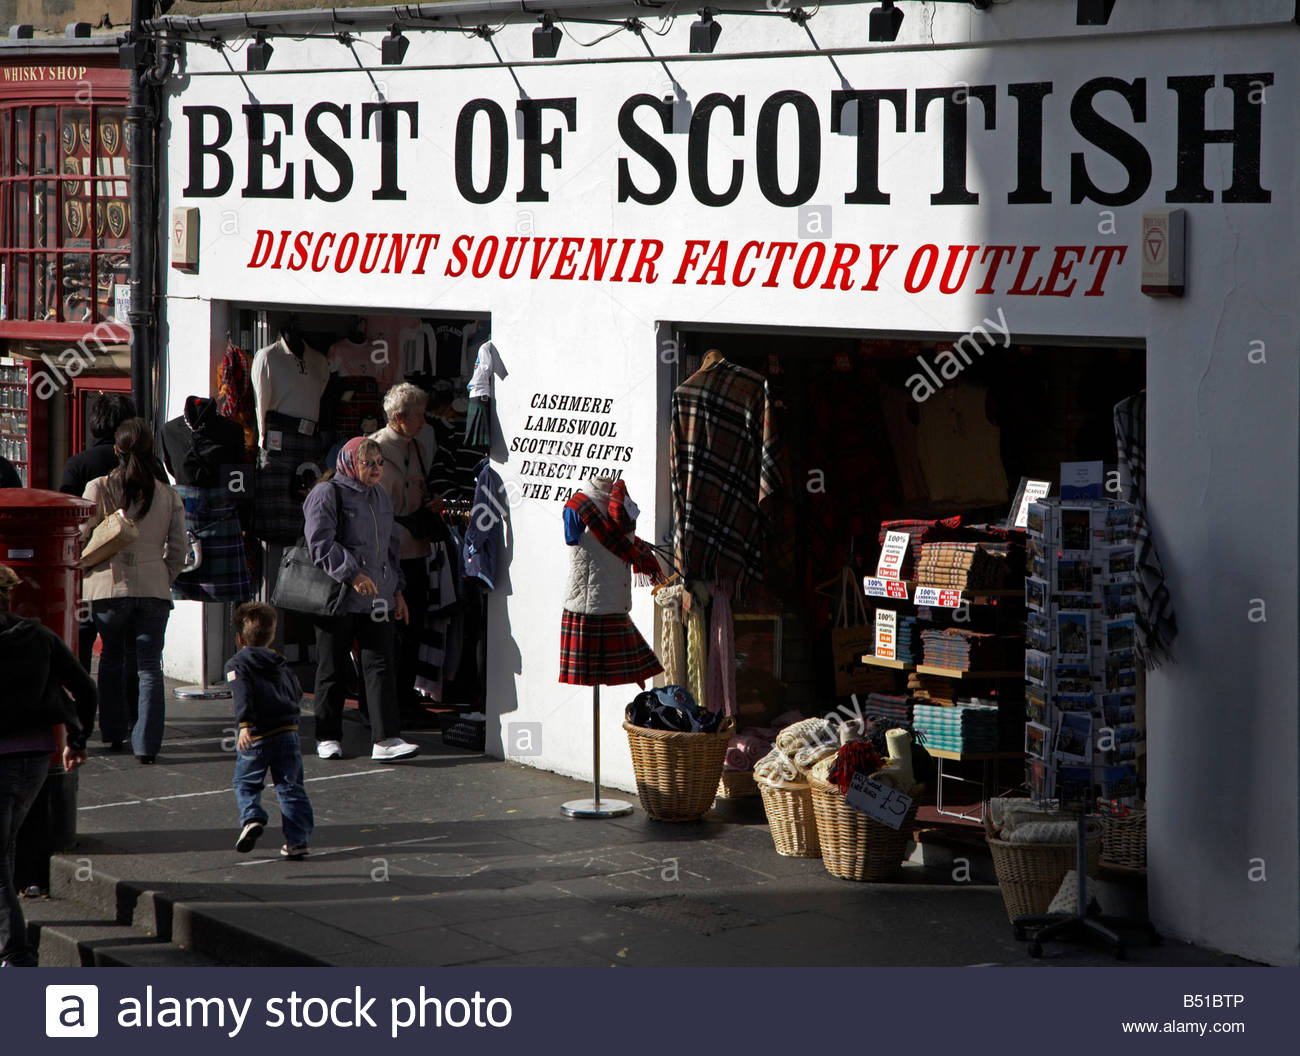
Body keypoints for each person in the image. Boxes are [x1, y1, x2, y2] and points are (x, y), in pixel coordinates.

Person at [0, 564, 95, 967]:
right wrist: (77, 741)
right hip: (37, 758)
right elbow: (85, 688)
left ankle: (16, 950)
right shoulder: (39, 636)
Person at [302, 437, 418, 762]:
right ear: (351, 463)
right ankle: (327, 735)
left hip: (376, 597)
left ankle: (385, 738)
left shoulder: (381, 497)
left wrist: (396, 590)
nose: (376, 469)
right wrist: (352, 573)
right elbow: (319, 543)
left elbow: (390, 549)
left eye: (380, 462)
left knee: (381, 664)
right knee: (332, 667)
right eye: (368, 463)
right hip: (337, 597)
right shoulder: (327, 493)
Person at [81, 418, 187, 763]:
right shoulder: (167, 494)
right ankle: (146, 745)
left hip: (108, 587)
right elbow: (179, 549)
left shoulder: (98, 488)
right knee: (148, 668)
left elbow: (81, 538)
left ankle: (112, 733)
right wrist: (162, 576)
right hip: (153, 587)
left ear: (116, 450)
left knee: (110, 658)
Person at [370, 382, 441, 729]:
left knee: (413, 629)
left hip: (416, 548)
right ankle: (388, 706)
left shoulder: (417, 446)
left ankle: (405, 699)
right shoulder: (378, 448)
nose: (424, 421)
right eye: (419, 415)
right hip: (390, 552)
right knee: (392, 633)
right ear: (398, 417)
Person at [225, 602, 314, 860]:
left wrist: (244, 726)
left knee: (245, 782)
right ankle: (297, 841)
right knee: (290, 786)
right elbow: (296, 693)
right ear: (272, 635)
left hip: (257, 735)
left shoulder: (237, 665)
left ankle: (252, 817)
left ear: (240, 638)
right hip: (288, 733)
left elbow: (242, 695)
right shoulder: (280, 663)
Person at [60, 393, 140, 670]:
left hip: (90, 571)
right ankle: (129, 710)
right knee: (131, 651)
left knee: (82, 640)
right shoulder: (145, 465)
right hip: (135, 570)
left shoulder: (80, 464)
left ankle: (82, 706)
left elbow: (66, 518)